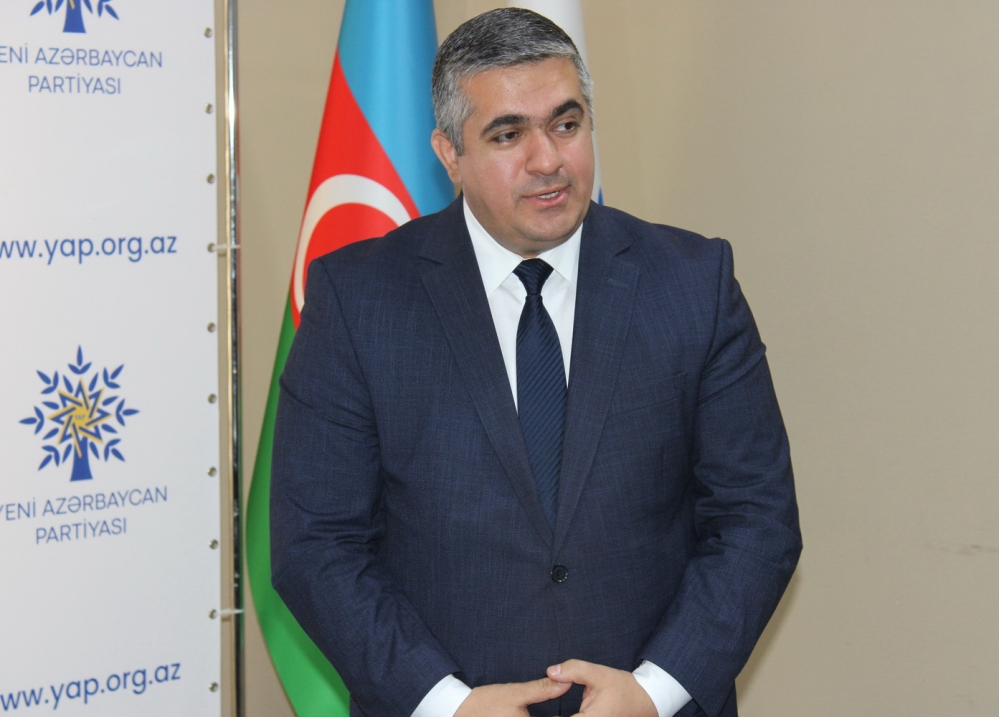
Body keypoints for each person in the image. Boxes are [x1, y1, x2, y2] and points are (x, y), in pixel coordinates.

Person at [270, 8, 801, 717]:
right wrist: (447, 704)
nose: (547, 159)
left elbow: (756, 518)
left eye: (566, 123)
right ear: (449, 153)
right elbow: (317, 546)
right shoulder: (358, 299)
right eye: (507, 134)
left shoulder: (693, 283)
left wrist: (654, 692)